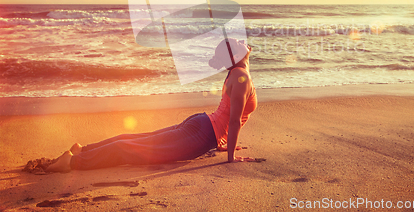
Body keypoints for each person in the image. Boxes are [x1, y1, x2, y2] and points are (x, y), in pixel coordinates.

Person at [46, 38, 257, 172]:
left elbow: (226, 113)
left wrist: (222, 141)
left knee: (140, 140)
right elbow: (234, 120)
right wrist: (232, 157)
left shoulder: (237, 74)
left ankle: (82, 150)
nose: (242, 39)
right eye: (237, 41)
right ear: (236, 55)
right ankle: (74, 162)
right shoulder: (241, 77)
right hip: (203, 132)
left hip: (203, 126)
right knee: (137, 149)